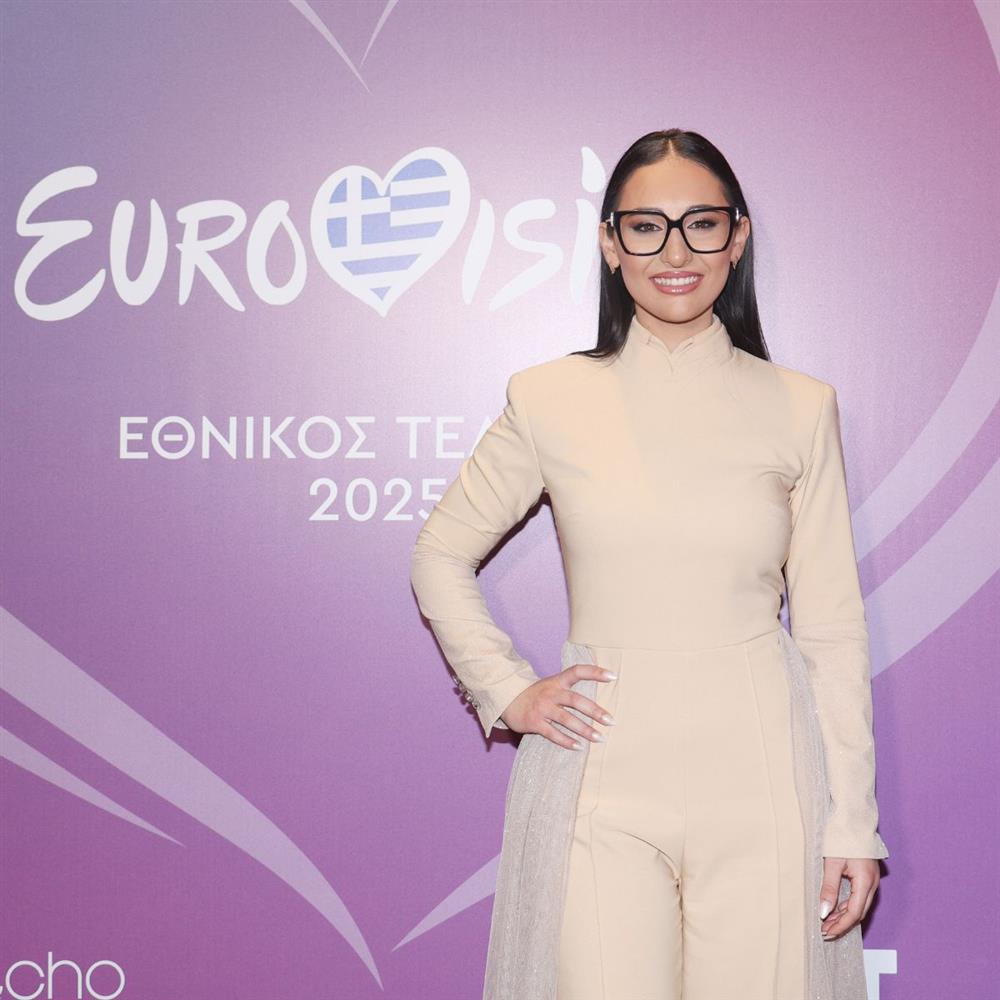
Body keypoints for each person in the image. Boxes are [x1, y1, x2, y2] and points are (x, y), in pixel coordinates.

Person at [409, 129, 889, 1000]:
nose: (675, 252)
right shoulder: (548, 397)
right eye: (646, 227)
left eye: (701, 224)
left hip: (763, 775)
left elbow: (830, 628)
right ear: (610, 243)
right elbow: (440, 552)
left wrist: (852, 819)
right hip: (599, 772)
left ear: (737, 238)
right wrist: (507, 688)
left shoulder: (801, 407)